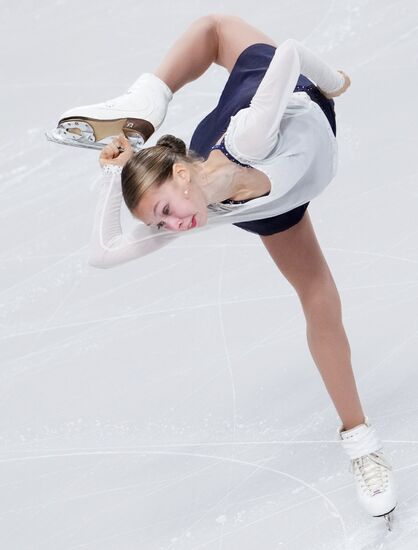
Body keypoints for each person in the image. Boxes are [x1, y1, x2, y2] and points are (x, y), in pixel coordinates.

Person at [49, 14, 397, 526]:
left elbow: (294, 52)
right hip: (271, 204)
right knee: (318, 296)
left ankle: (150, 96)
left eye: (163, 211)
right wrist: (109, 175)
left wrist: (335, 82)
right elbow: (103, 253)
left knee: (216, 31)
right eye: (158, 223)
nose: (171, 227)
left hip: (287, 110)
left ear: (182, 174)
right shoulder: (194, 214)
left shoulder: (251, 135)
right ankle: (361, 442)